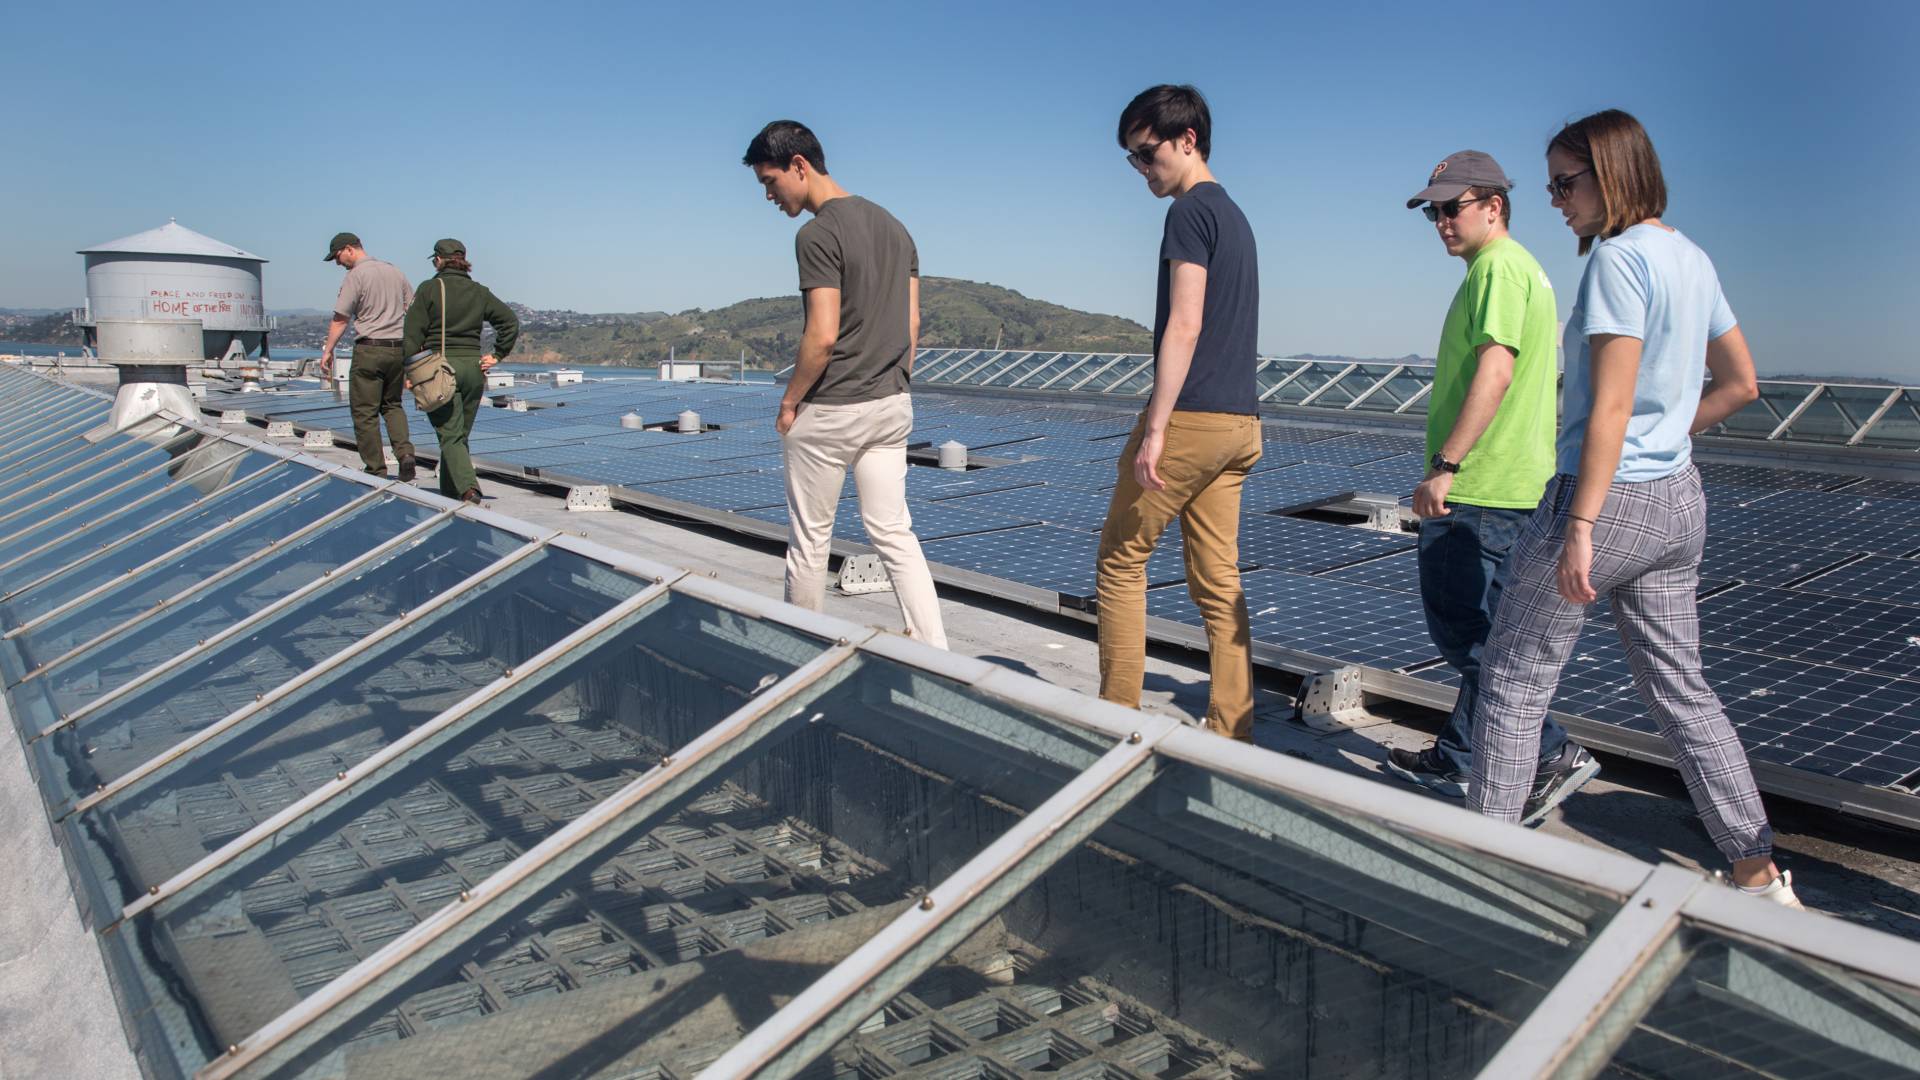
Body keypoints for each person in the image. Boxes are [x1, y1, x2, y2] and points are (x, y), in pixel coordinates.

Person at [1467, 110, 1800, 908]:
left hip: (1604, 502)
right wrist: (1663, 438)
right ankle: (1759, 874)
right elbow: (1742, 384)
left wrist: (1580, 522)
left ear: (1611, 175)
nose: (1554, 199)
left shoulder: (1618, 260)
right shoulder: (1691, 257)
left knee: (1513, 683)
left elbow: (1610, 410)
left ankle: (1481, 870)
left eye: (1564, 182)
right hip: (1678, 502)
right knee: (1682, 689)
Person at [1388, 152, 1601, 820]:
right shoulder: (1521, 269)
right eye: (1433, 211)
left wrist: (1446, 464)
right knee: (1493, 632)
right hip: (1514, 483)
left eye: (1453, 207)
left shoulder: (1499, 270)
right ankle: (1460, 756)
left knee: (1468, 636)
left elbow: (1496, 372)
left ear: (1493, 206)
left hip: (1483, 485)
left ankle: (1549, 749)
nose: (1441, 221)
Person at [1096, 85, 1262, 740]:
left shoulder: (1189, 214)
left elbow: (1186, 324)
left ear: (1187, 139)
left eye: (1146, 153)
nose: (1141, 169)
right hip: (1240, 423)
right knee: (1219, 585)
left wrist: (1157, 428)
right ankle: (1233, 735)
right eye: (1131, 159)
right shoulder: (1237, 218)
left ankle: (1111, 723)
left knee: (1120, 560)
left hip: (1190, 420)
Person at [743, 120, 947, 648]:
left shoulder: (816, 234)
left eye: (770, 181)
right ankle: (937, 652)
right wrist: (898, 381)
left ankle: (802, 653)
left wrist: (790, 403)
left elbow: (822, 335)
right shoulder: (896, 228)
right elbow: (913, 325)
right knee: (895, 533)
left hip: (831, 410)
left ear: (799, 166)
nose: (768, 195)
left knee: (810, 541)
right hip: (891, 405)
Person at [400, 239, 518, 505]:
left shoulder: (430, 289)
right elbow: (510, 321)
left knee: (449, 434)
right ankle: (450, 494)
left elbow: (411, 336)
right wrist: (498, 354)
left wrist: (409, 372)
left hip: (440, 370)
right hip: (474, 369)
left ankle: (469, 489)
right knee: (458, 436)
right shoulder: (479, 291)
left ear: (439, 260)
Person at [320, 232, 417, 481]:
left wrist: (328, 350)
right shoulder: (395, 271)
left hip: (369, 349)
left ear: (350, 249)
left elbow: (341, 317)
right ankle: (405, 453)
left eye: (338, 256)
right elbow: (414, 310)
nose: (337, 263)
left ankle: (376, 469)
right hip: (397, 349)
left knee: (365, 412)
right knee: (393, 405)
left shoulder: (356, 276)